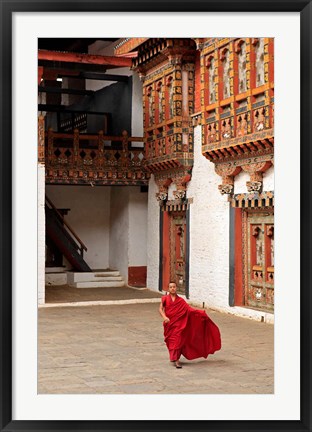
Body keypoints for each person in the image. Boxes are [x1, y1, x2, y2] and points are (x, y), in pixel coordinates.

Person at [159, 282, 221, 368]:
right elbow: (160, 309)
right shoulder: (165, 299)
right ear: (168, 289)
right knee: (170, 341)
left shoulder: (181, 301)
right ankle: (173, 356)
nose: (172, 288)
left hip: (179, 325)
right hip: (169, 324)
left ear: (176, 288)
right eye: (170, 287)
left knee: (178, 340)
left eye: (174, 287)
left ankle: (176, 360)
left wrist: (200, 313)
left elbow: (189, 309)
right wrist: (164, 317)